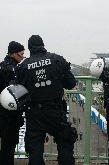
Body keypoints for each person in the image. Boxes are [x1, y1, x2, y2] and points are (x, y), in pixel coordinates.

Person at [15, 35, 77, 165]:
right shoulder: (57, 60)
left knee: (35, 148)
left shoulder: (23, 66)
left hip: (34, 113)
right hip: (55, 111)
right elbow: (71, 83)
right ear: (42, 45)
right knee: (65, 142)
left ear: (29, 48)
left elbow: (19, 91)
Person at [0, 41, 25, 165]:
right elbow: (16, 91)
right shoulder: (13, 69)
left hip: (3, 110)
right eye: (21, 54)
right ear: (14, 54)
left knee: (6, 145)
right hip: (12, 112)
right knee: (9, 145)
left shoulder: (1, 66)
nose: (23, 57)